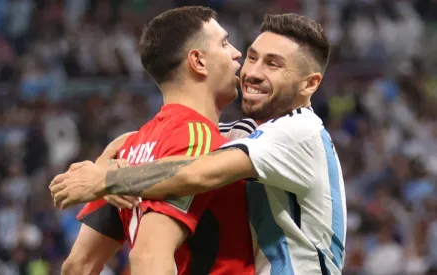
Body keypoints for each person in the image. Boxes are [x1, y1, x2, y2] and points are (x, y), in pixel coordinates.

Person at [51, 13, 346, 275]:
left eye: (273, 64)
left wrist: (106, 178)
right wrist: (107, 160)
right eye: (252, 56)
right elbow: (146, 256)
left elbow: (195, 172)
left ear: (310, 84)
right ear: (198, 60)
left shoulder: (299, 131)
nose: (244, 64)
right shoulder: (206, 138)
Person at [56, 6, 255, 275]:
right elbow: (149, 258)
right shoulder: (196, 137)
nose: (236, 52)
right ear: (198, 61)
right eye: (224, 43)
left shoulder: (128, 148)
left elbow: (78, 266)